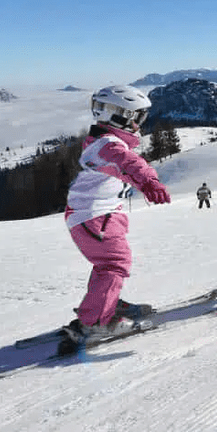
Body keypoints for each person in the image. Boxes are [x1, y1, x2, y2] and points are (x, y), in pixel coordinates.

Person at [62, 85, 171, 350]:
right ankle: (96, 322)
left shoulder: (103, 143)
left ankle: (106, 302)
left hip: (95, 216)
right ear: (120, 116)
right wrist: (149, 182)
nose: (139, 123)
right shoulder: (109, 146)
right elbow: (129, 164)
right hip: (94, 217)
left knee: (107, 263)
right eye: (137, 117)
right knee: (114, 263)